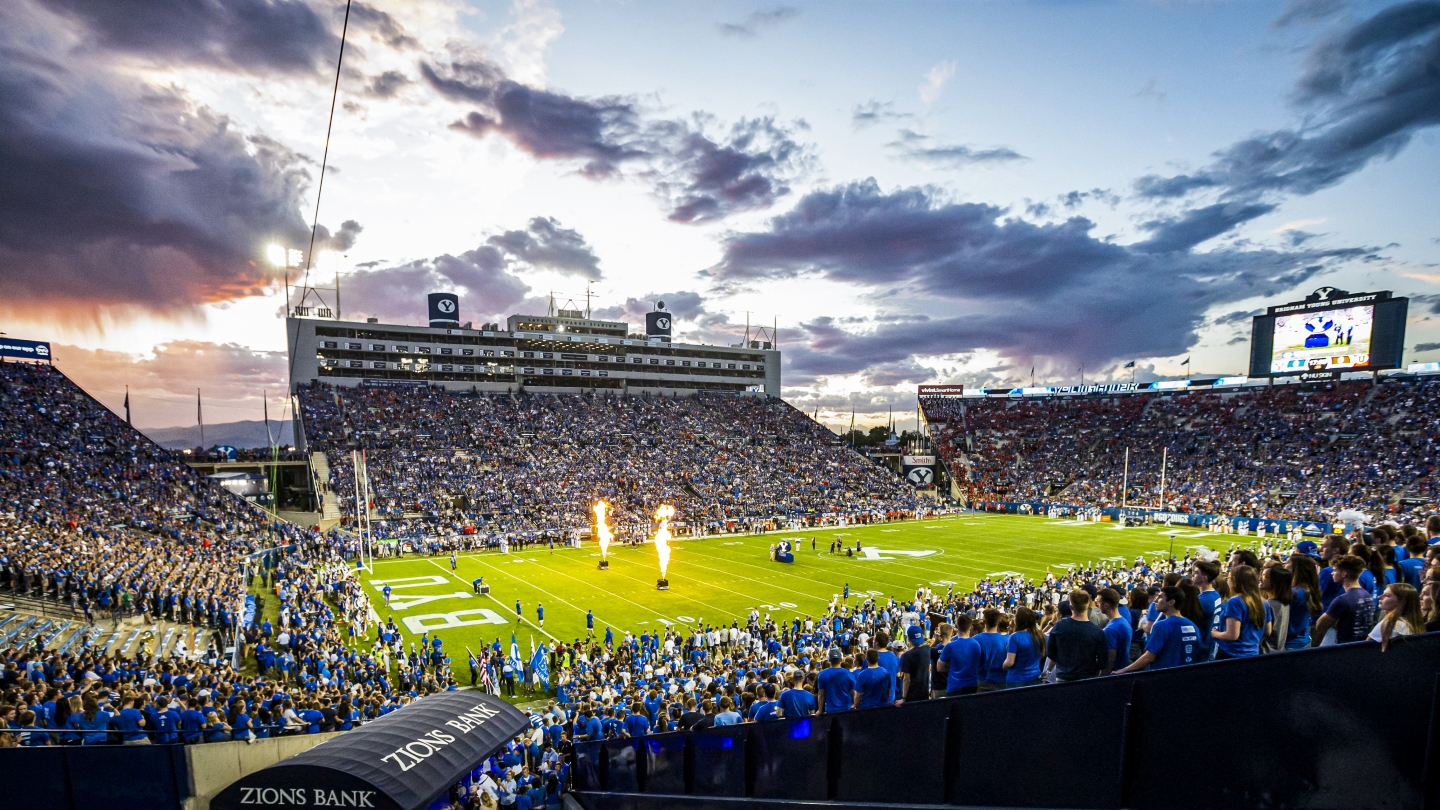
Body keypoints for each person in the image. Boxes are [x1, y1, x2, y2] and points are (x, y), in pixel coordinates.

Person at [1117, 586, 1199, 672]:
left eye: (1160, 597)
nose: (1155, 601)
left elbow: (1149, 657)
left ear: (1171, 602)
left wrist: (1124, 670)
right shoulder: (1192, 625)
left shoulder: (1162, 625)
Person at [1046, 590, 1108, 681]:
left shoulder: (1059, 627)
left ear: (1071, 607)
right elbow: (1103, 662)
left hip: (1063, 676)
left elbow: (1051, 653)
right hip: (1086, 679)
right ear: (1087, 606)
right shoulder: (1097, 632)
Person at [1314, 554, 1376, 646]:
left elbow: (1320, 625)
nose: (1332, 573)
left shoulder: (1343, 600)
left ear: (1344, 574)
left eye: (1335, 570)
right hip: (1359, 646)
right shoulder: (1366, 595)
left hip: (1343, 647)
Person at [1212, 565, 1270, 659]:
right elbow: (1268, 631)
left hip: (1231, 654)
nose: (1227, 580)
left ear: (1234, 580)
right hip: (1253, 653)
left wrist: (1215, 634)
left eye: (1229, 578)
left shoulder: (1235, 601)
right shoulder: (1263, 601)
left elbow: (1232, 635)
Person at [1368, 583, 1422, 650]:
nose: (1379, 597)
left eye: (1387, 595)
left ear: (1402, 601)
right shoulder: (1415, 623)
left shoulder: (1390, 623)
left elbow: (1365, 648)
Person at [937, 616, 980, 696]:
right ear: (971, 627)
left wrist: (952, 666)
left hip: (954, 686)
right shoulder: (976, 645)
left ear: (956, 626)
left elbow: (939, 668)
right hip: (972, 685)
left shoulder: (950, 646)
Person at [1003, 607, 1045, 687]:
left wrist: (1004, 665)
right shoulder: (1039, 635)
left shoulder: (1015, 637)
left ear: (1019, 620)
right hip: (1035, 678)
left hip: (1017, 680)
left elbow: (1009, 662)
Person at [973, 609, 1009, 693]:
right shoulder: (1008, 640)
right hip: (1002, 682)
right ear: (998, 622)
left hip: (982, 682)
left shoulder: (975, 640)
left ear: (984, 622)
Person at [1098, 588, 1132, 673]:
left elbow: (1110, 660)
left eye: (1099, 602)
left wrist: (1101, 678)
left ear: (1106, 605)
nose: (1097, 604)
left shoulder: (1110, 629)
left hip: (1113, 676)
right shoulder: (1124, 622)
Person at [896, 624, 931, 705]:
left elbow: (906, 679)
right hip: (924, 692)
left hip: (911, 695)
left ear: (908, 638)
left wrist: (903, 698)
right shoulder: (927, 650)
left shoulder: (908, 655)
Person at [816, 648, 856, 713]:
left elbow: (821, 694)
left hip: (831, 710)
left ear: (829, 660)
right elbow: (853, 692)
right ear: (841, 659)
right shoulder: (848, 674)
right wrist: (855, 705)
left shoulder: (822, 674)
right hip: (847, 708)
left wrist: (820, 710)